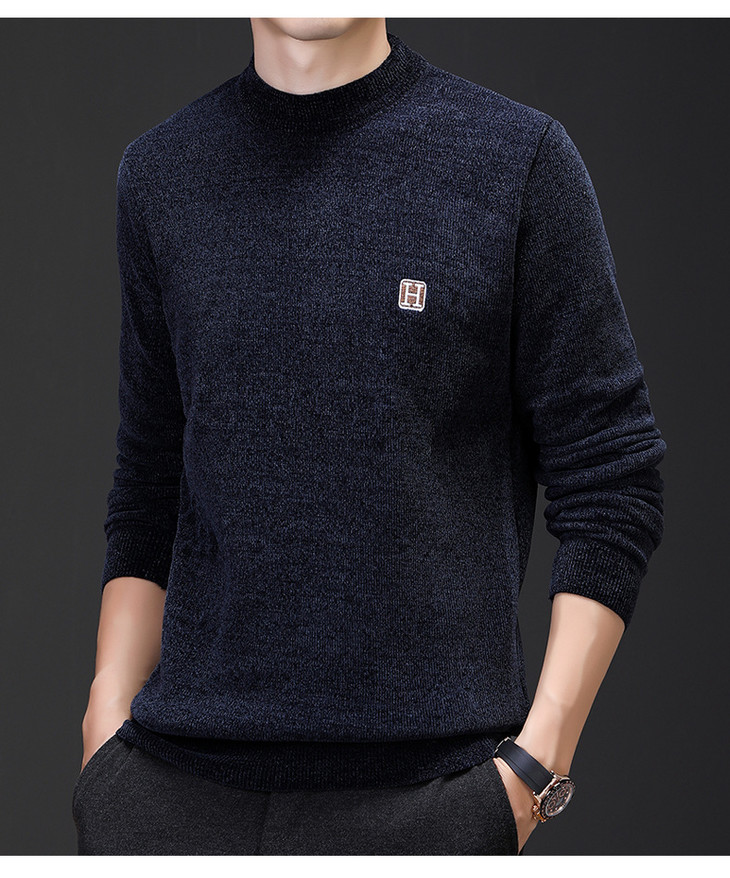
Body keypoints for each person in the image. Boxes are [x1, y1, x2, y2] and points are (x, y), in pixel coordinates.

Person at [72, 17, 666, 856]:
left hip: (428, 803)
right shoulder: (162, 173)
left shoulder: (518, 161)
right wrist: (106, 721)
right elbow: (150, 480)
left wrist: (536, 770)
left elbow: (612, 479)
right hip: (171, 798)